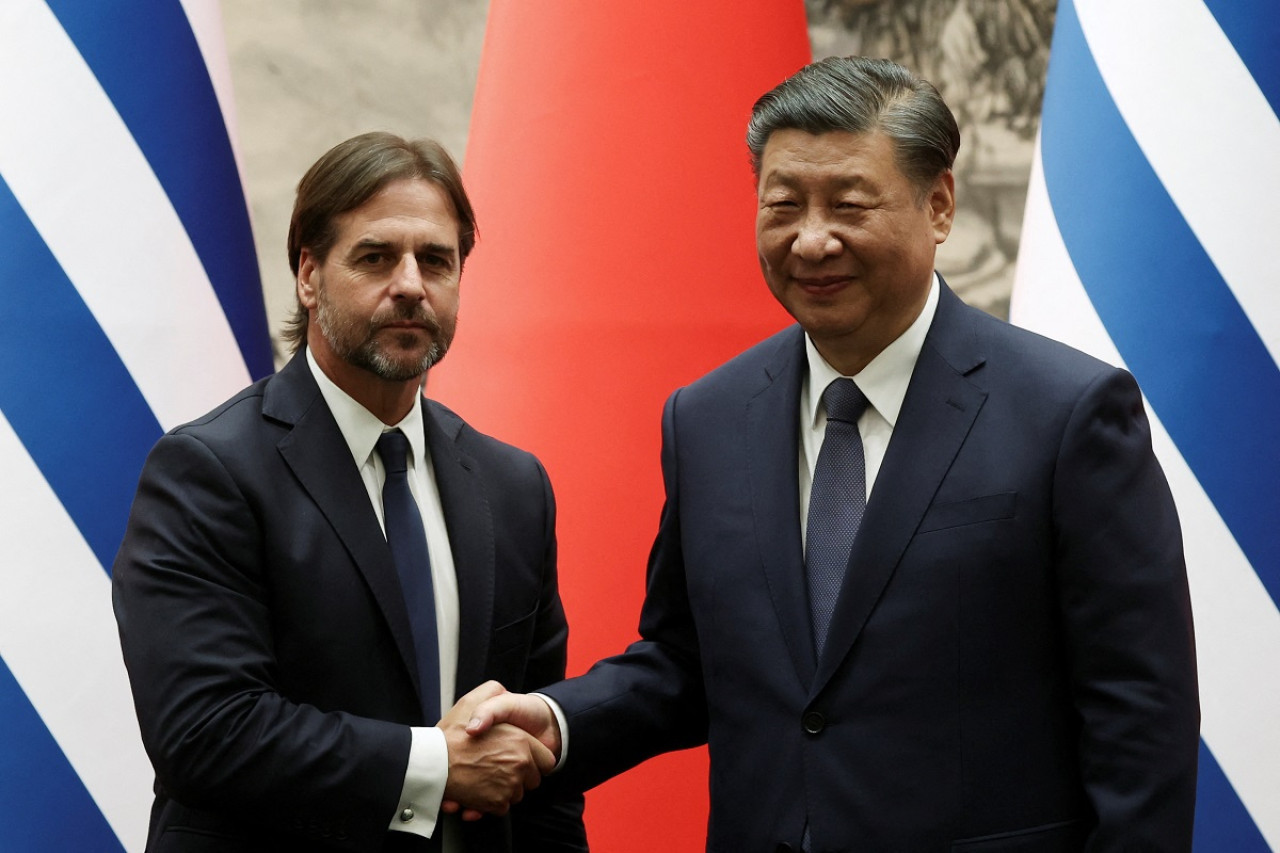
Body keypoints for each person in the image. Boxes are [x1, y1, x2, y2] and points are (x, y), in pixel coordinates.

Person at [465, 57, 1200, 851]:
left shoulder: (1068, 414)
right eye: (783, 206)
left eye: (849, 204)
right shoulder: (709, 417)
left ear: (940, 205)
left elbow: (1140, 715)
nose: (812, 240)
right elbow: (686, 661)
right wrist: (558, 720)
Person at [112, 132, 586, 853]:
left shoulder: (513, 486)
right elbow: (204, 731)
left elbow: (536, 760)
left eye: (436, 259)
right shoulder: (207, 471)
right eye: (375, 256)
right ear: (308, 274)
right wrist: (435, 764)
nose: (409, 283)